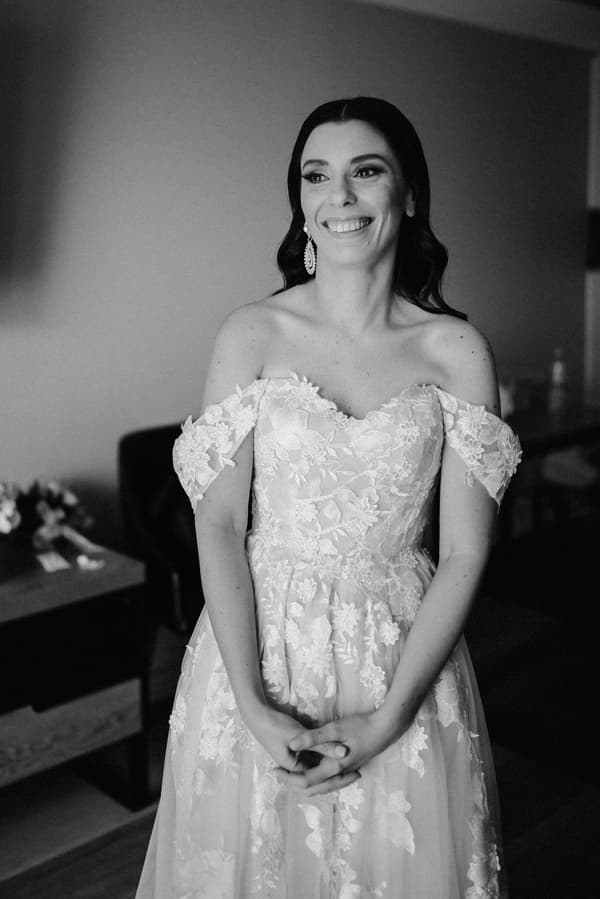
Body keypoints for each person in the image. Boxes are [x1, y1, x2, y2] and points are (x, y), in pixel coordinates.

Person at [136, 96, 522, 898]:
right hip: (259, 652)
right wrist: (252, 704)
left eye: (365, 171)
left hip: (403, 662)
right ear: (301, 200)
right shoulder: (251, 335)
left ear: (408, 195)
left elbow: (465, 550)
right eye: (317, 175)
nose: (338, 195)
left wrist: (390, 717)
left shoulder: (456, 351)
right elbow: (218, 521)